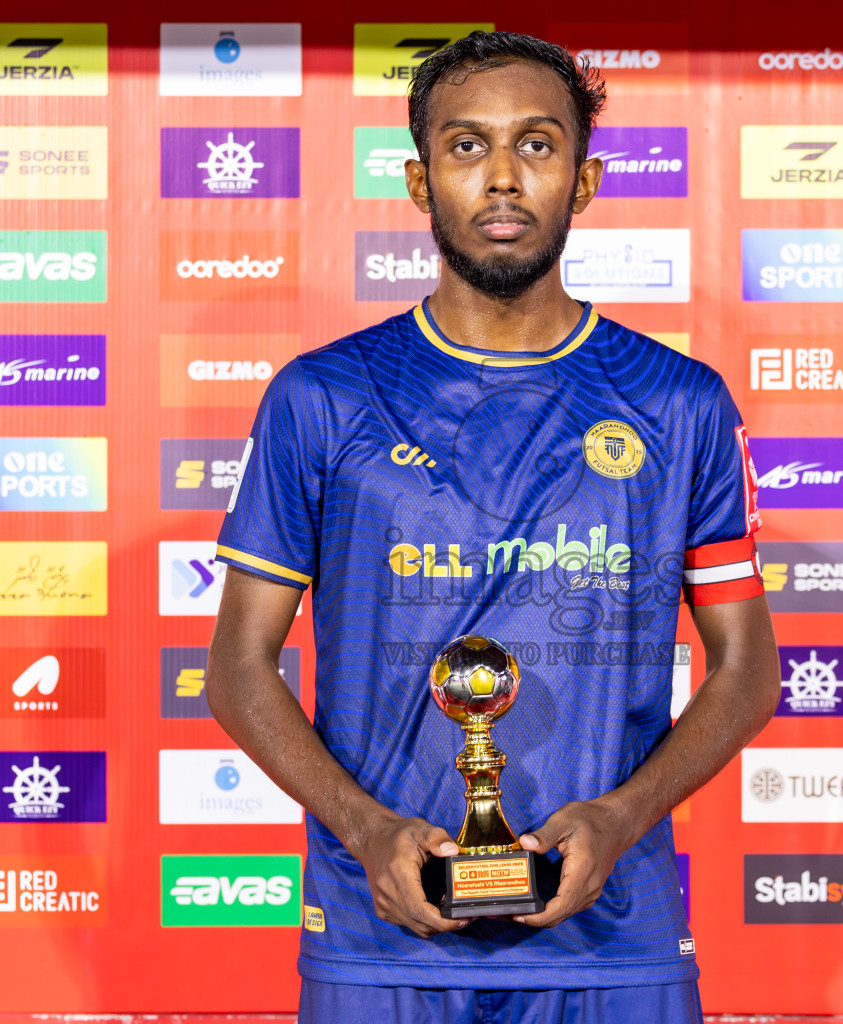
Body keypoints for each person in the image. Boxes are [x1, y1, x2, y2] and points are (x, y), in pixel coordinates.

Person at [206, 30, 780, 1024]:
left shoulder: (678, 402)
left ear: (584, 180)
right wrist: (366, 829)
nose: (504, 177)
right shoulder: (323, 396)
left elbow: (749, 669)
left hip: (615, 939)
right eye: (467, 146)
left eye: (537, 144)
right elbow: (237, 665)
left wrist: (622, 815)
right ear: (420, 182)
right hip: (380, 938)